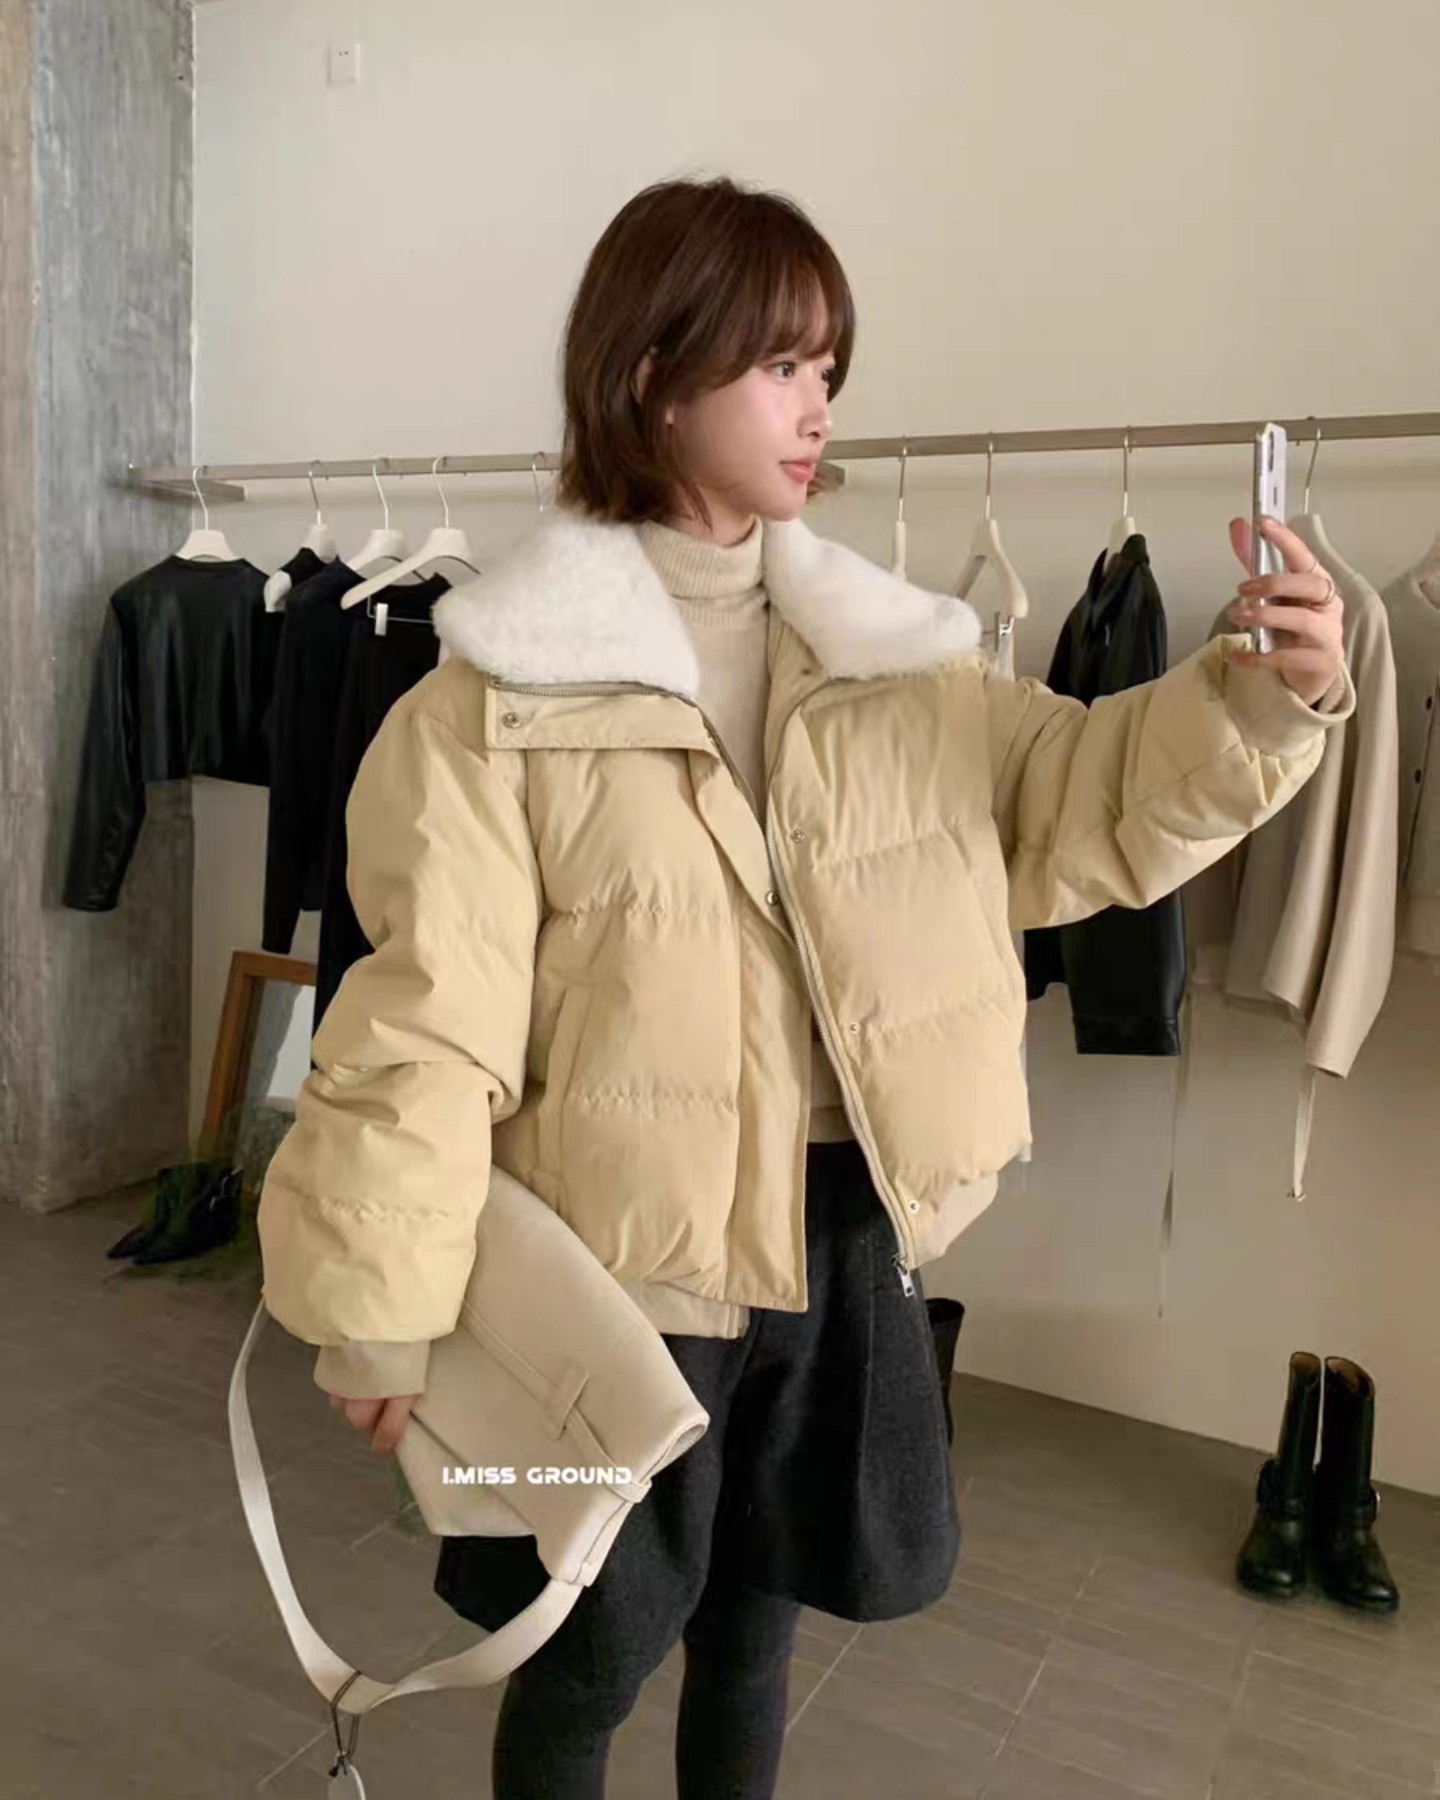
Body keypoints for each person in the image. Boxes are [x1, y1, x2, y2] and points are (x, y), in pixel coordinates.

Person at [256, 177, 1351, 1799]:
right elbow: (424, 1031)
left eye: (829, 367)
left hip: (839, 1244)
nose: (819, 404)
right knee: (584, 1652)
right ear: (654, 374)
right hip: (621, 1271)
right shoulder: (490, 703)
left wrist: (1261, 697)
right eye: (781, 364)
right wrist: (382, 1310)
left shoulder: (900, 663)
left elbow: (1083, 798)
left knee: (757, 1626)